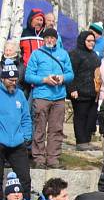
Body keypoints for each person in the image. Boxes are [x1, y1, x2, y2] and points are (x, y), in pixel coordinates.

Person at [25, 27, 74, 169]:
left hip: (59, 97)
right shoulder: (36, 54)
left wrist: (62, 77)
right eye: (47, 38)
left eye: (52, 38)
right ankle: (39, 158)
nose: (50, 40)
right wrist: (44, 79)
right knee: (39, 128)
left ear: (56, 39)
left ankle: (53, 159)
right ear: (43, 39)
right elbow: (28, 76)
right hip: (41, 96)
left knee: (56, 129)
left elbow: (70, 74)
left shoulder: (63, 54)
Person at [0, 60, 32, 197]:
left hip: (18, 144)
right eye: (10, 80)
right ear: (3, 79)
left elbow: (26, 117)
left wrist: (26, 136)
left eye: (15, 80)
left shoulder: (20, 95)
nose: (14, 83)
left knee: (24, 178)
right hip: (1, 142)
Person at [67, 30, 101, 150]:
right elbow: (70, 72)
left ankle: (87, 140)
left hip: (93, 92)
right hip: (79, 92)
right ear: (83, 41)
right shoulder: (75, 54)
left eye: (93, 41)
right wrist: (72, 89)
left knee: (91, 117)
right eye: (89, 41)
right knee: (81, 116)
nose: (92, 43)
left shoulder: (94, 55)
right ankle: (81, 141)